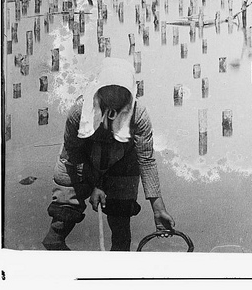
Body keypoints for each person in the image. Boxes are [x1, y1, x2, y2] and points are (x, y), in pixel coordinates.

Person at [42, 58, 175, 251]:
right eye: (109, 89)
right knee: (59, 227)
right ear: (99, 90)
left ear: (130, 92)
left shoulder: (139, 116)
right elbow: (74, 152)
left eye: (121, 91)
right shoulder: (79, 113)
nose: (114, 96)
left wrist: (158, 208)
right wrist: (96, 183)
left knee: (121, 230)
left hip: (123, 162)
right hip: (79, 160)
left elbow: (146, 161)